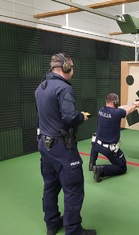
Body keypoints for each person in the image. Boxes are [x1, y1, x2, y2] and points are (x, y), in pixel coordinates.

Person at [35, 53, 96, 235]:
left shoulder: (41, 87)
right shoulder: (64, 88)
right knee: (74, 189)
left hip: (45, 145)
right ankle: (73, 230)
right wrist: (81, 117)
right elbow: (70, 116)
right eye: (72, 66)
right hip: (62, 148)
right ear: (66, 68)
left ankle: (52, 223)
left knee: (50, 186)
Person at [89, 93, 139, 182]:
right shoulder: (118, 113)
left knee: (95, 141)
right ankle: (101, 170)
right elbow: (129, 110)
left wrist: (126, 105)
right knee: (122, 167)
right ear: (115, 101)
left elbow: (116, 110)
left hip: (97, 145)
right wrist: (136, 105)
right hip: (109, 149)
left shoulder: (101, 110)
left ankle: (91, 163)